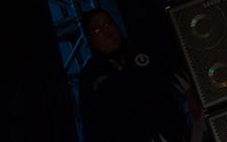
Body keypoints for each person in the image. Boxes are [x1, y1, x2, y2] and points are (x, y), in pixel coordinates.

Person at [78, 9, 204, 142]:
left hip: (171, 131)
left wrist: (191, 98)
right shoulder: (90, 76)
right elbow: (91, 125)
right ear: (90, 39)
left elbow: (175, 71)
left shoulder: (143, 47)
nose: (107, 32)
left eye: (108, 24)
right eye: (98, 30)